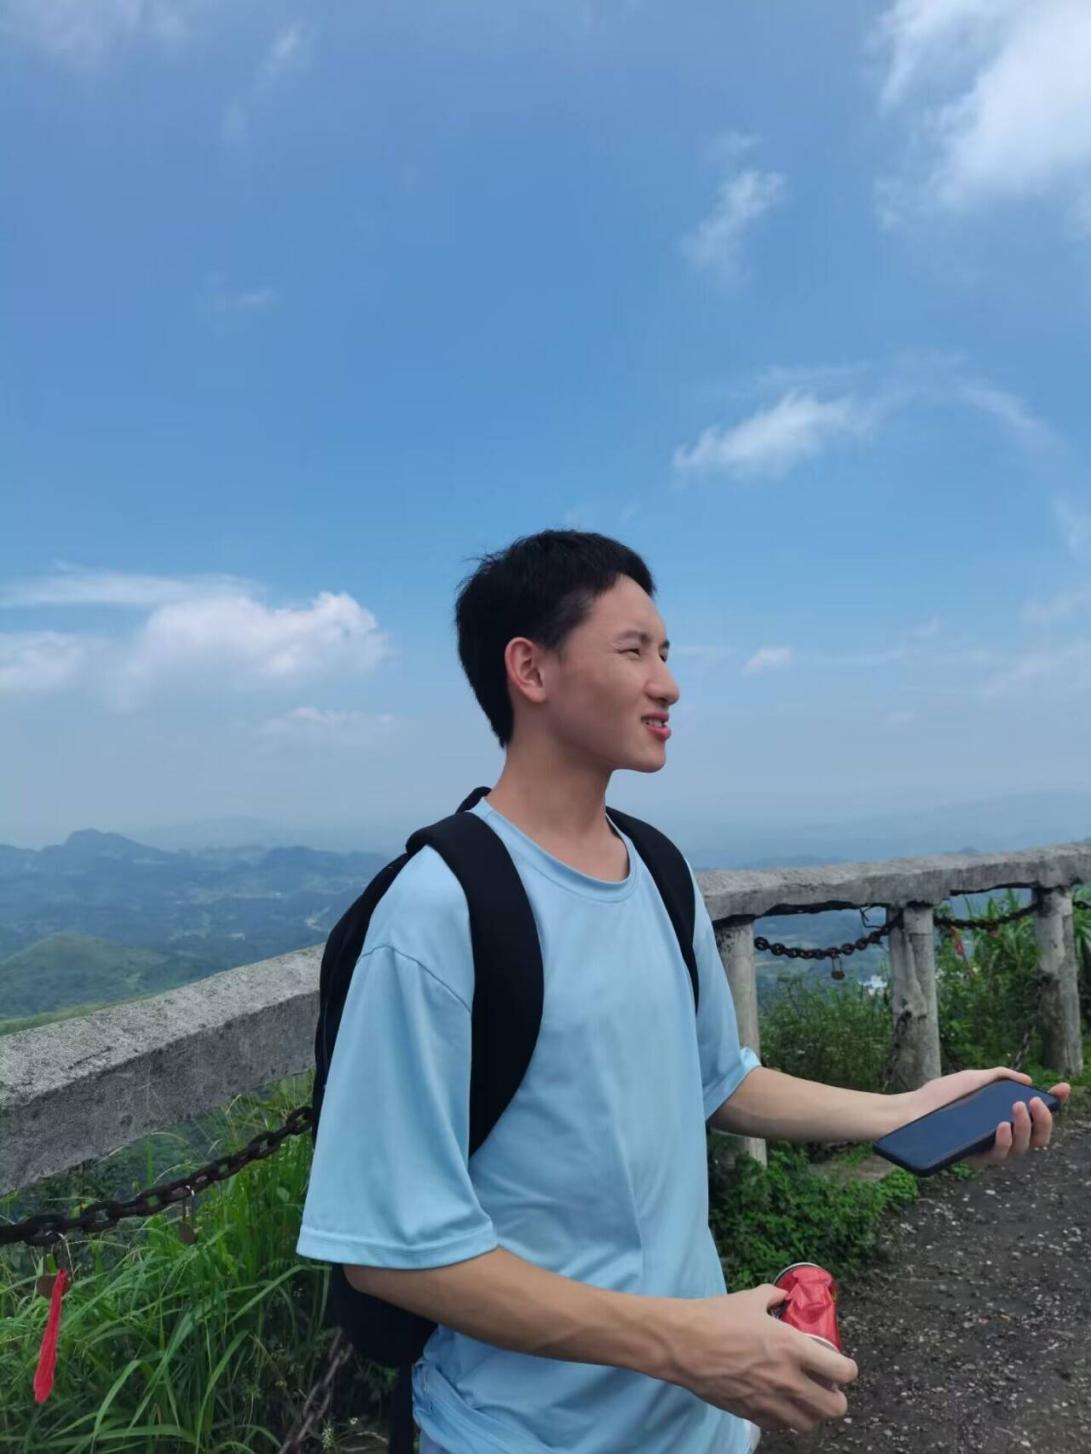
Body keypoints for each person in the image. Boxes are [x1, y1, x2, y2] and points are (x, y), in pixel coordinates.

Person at [296, 529, 1069, 1453]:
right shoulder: (439, 909)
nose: (667, 684)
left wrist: (902, 1111)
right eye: (633, 651)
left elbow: (717, 1079)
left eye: (665, 652)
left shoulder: (656, 869)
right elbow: (390, 1256)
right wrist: (686, 1343)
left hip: (703, 1426)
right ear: (530, 669)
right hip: (519, 1433)